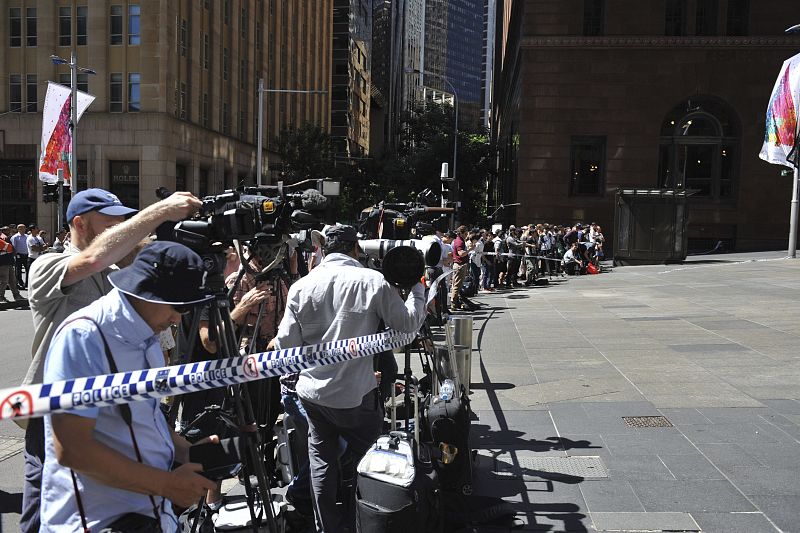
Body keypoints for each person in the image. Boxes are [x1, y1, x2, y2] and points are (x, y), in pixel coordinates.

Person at [20, 188, 201, 533]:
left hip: (110, 414)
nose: (122, 227)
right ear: (80, 224)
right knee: (44, 508)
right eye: (111, 222)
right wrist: (160, 210)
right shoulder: (49, 264)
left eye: (124, 220)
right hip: (56, 412)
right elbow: (91, 261)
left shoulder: (120, 271)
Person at [40, 242, 218, 532]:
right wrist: (167, 484)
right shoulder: (83, 336)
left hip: (148, 513)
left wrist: (184, 449)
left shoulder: (146, 333)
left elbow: (144, 414)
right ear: (146, 291)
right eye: (179, 306)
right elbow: (72, 449)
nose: (178, 318)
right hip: (99, 520)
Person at [272, 224, 426, 533]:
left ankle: (326, 526)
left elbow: (286, 345)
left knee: (321, 465)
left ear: (325, 250)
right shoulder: (372, 281)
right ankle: (367, 521)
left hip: (313, 395)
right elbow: (408, 327)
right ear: (356, 248)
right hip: (356, 395)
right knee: (372, 461)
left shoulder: (302, 286)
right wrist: (419, 289)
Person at [0, 226, 23, 302]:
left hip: (9, 262)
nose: (9, 231)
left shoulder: (7, 238)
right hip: (3, 262)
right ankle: (1, 296)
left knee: (12, 280)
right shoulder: (3, 238)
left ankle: (16, 295)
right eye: (7, 230)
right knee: (4, 280)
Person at [450, 225, 469, 310]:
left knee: (456, 284)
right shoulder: (459, 241)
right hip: (459, 265)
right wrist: (469, 249)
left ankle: (455, 301)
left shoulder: (458, 240)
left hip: (459, 264)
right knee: (457, 285)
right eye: (465, 233)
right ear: (461, 233)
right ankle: (453, 303)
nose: (466, 235)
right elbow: (461, 253)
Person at [11, 223, 29, 289]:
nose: (23, 229)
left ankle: (27, 283)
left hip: (26, 255)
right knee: (18, 270)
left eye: (24, 228)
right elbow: (13, 247)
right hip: (18, 255)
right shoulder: (15, 237)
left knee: (28, 269)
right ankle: (20, 283)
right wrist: (15, 255)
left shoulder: (27, 236)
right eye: (21, 228)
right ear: (18, 229)